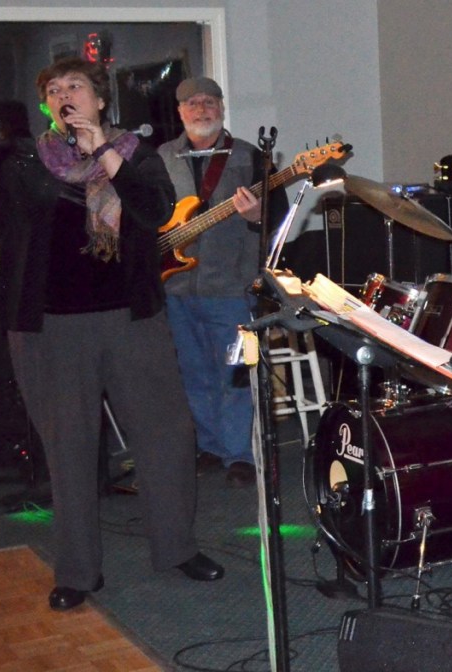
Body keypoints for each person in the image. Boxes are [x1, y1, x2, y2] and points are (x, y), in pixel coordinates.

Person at [0, 57, 224, 611]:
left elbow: (154, 211)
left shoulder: (138, 156)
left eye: (75, 86)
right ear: (47, 104)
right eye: (54, 89)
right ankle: (78, 572)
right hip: (52, 328)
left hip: (131, 319)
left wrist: (102, 151)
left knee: (165, 436)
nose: (64, 94)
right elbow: (28, 209)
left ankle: (176, 548)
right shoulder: (27, 160)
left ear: (99, 100)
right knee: (69, 449)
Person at [158, 76, 285, 488]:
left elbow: (279, 223)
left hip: (231, 286)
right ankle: (209, 447)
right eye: (192, 102)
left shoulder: (251, 158)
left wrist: (255, 219)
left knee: (233, 376)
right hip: (175, 288)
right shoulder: (160, 158)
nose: (201, 109)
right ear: (179, 112)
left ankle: (239, 455)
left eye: (209, 101)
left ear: (222, 107)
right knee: (192, 374)